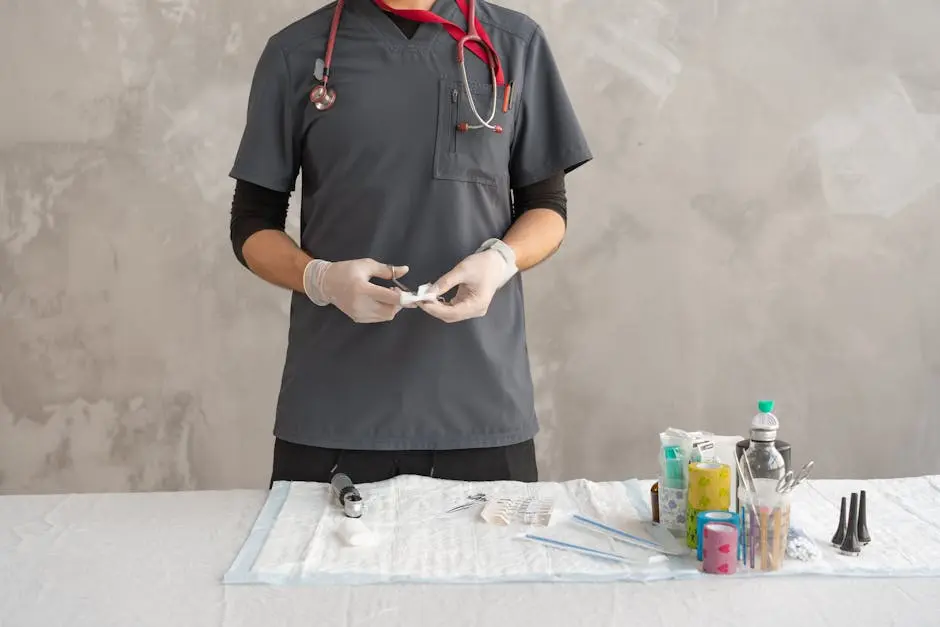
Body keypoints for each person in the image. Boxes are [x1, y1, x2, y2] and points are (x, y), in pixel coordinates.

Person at [228, 0, 592, 486]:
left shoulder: (513, 45)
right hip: (335, 409)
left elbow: (547, 206)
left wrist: (501, 261)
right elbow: (252, 223)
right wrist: (320, 279)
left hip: (480, 409)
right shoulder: (297, 54)